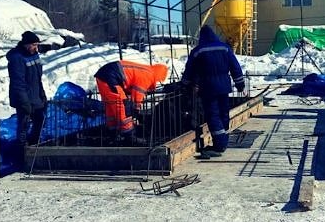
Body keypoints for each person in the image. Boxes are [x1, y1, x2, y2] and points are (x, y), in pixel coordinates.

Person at [181, 25, 246, 157]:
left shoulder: (198, 51)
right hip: (224, 87)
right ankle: (223, 139)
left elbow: (190, 70)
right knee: (223, 113)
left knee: (213, 115)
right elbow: (235, 67)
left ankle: (219, 146)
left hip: (208, 88)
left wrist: (185, 84)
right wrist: (240, 84)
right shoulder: (225, 48)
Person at [94, 59, 169, 142]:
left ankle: (113, 132)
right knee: (122, 106)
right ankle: (129, 135)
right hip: (111, 76)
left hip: (103, 76)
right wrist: (135, 114)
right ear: (159, 76)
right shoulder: (148, 76)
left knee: (111, 107)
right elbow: (137, 97)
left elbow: (130, 86)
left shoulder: (146, 71)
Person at [7, 31, 48, 159]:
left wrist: (42, 94)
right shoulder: (17, 58)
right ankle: (22, 151)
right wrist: (24, 103)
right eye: (34, 45)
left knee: (40, 120)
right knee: (24, 124)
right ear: (26, 45)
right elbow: (18, 83)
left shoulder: (34, 55)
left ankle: (34, 144)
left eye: (37, 45)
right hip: (24, 98)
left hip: (35, 96)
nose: (36, 48)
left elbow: (37, 78)